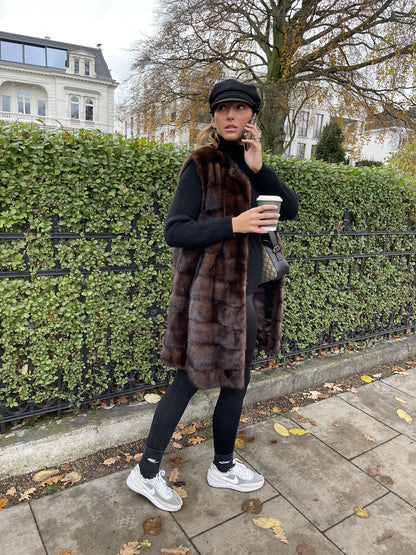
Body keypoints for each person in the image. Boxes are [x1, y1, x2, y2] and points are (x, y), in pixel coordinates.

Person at [127, 79, 299, 511]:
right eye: (223, 109)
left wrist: (261, 168)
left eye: (239, 109)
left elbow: (290, 209)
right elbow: (175, 230)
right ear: (213, 117)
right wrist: (233, 225)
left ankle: (222, 466)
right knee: (187, 381)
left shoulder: (251, 162)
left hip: (245, 297)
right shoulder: (201, 164)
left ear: (251, 119)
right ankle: (145, 472)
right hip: (208, 299)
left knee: (237, 382)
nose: (230, 116)